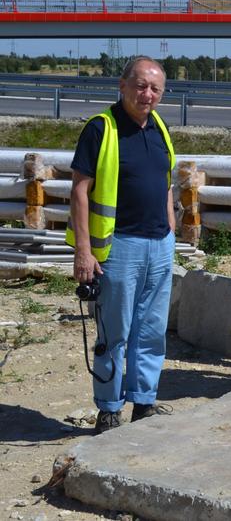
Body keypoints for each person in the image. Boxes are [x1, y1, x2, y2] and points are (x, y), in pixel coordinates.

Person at [68, 56, 177, 433]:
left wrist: (172, 229)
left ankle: (143, 403)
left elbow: (165, 181)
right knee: (113, 333)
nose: (147, 94)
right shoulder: (102, 128)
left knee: (151, 332)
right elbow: (80, 191)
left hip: (159, 245)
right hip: (120, 248)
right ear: (123, 85)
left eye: (155, 89)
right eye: (141, 85)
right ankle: (109, 409)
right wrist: (84, 250)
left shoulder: (159, 125)